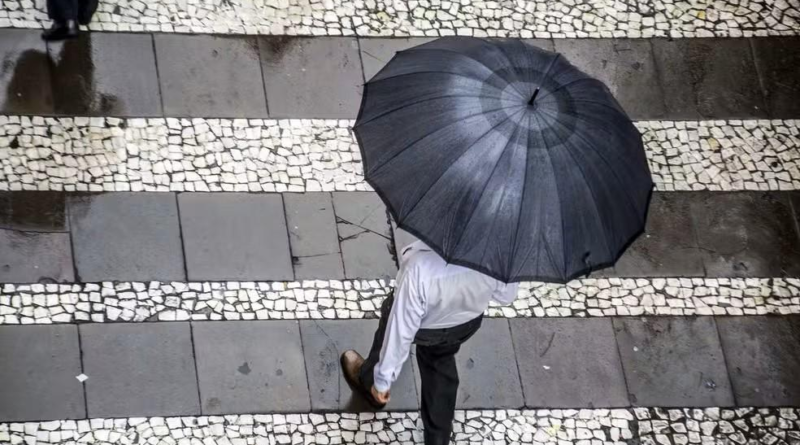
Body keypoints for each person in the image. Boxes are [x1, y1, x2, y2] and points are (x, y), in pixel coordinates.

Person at [341, 240, 518, 445]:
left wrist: (383, 381)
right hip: (463, 324)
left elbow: (400, 331)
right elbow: (506, 296)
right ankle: (438, 438)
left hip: (425, 326)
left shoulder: (419, 266)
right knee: (440, 364)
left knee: (387, 330)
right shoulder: (499, 252)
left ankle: (371, 383)